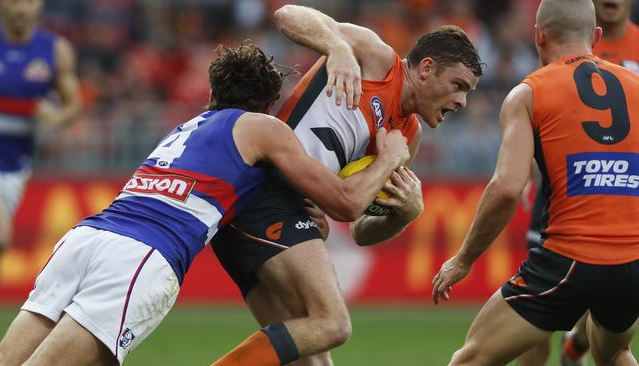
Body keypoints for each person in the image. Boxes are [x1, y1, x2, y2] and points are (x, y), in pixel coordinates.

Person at [0, 42, 410, 366]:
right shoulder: (262, 127)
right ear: (268, 103)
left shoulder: (187, 125)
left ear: (212, 90)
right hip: (142, 253)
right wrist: (390, 156)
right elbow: (347, 203)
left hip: (85, 239)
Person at [211, 5, 483, 366]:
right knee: (333, 324)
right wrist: (337, 47)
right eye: (458, 86)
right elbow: (287, 14)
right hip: (264, 187)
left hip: (276, 207)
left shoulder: (408, 137)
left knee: (312, 360)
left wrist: (404, 214)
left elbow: (360, 231)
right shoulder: (378, 59)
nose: (462, 101)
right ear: (427, 68)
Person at [432, 0, 639, 365]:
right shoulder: (636, 84)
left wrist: (463, 260)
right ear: (595, 36)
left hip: (570, 260)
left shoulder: (528, 93)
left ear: (539, 36)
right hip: (633, 264)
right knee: (616, 353)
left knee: (470, 359)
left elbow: (507, 188)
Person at [517, 1, 639, 365]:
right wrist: (523, 168)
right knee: (536, 321)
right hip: (565, 193)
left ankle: (577, 346)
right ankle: (576, 345)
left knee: (603, 306)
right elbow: (535, 117)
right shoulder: (569, 40)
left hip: (623, 194)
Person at [0, 0, 81, 320]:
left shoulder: (55, 50)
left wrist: (56, 117)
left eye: (28, 1)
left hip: (15, 164)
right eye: (14, 0)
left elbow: (73, 104)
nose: (20, 9)